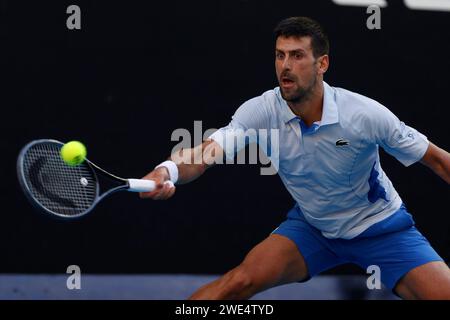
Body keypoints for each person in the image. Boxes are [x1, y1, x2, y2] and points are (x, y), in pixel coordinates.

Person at [140, 17, 450, 299]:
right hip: (313, 228)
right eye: (280, 55)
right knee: (237, 284)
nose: (285, 66)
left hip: (381, 228)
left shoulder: (365, 114)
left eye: (297, 55)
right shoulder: (261, 110)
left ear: (322, 64)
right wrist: (166, 171)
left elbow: (438, 161)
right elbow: (205, 153)